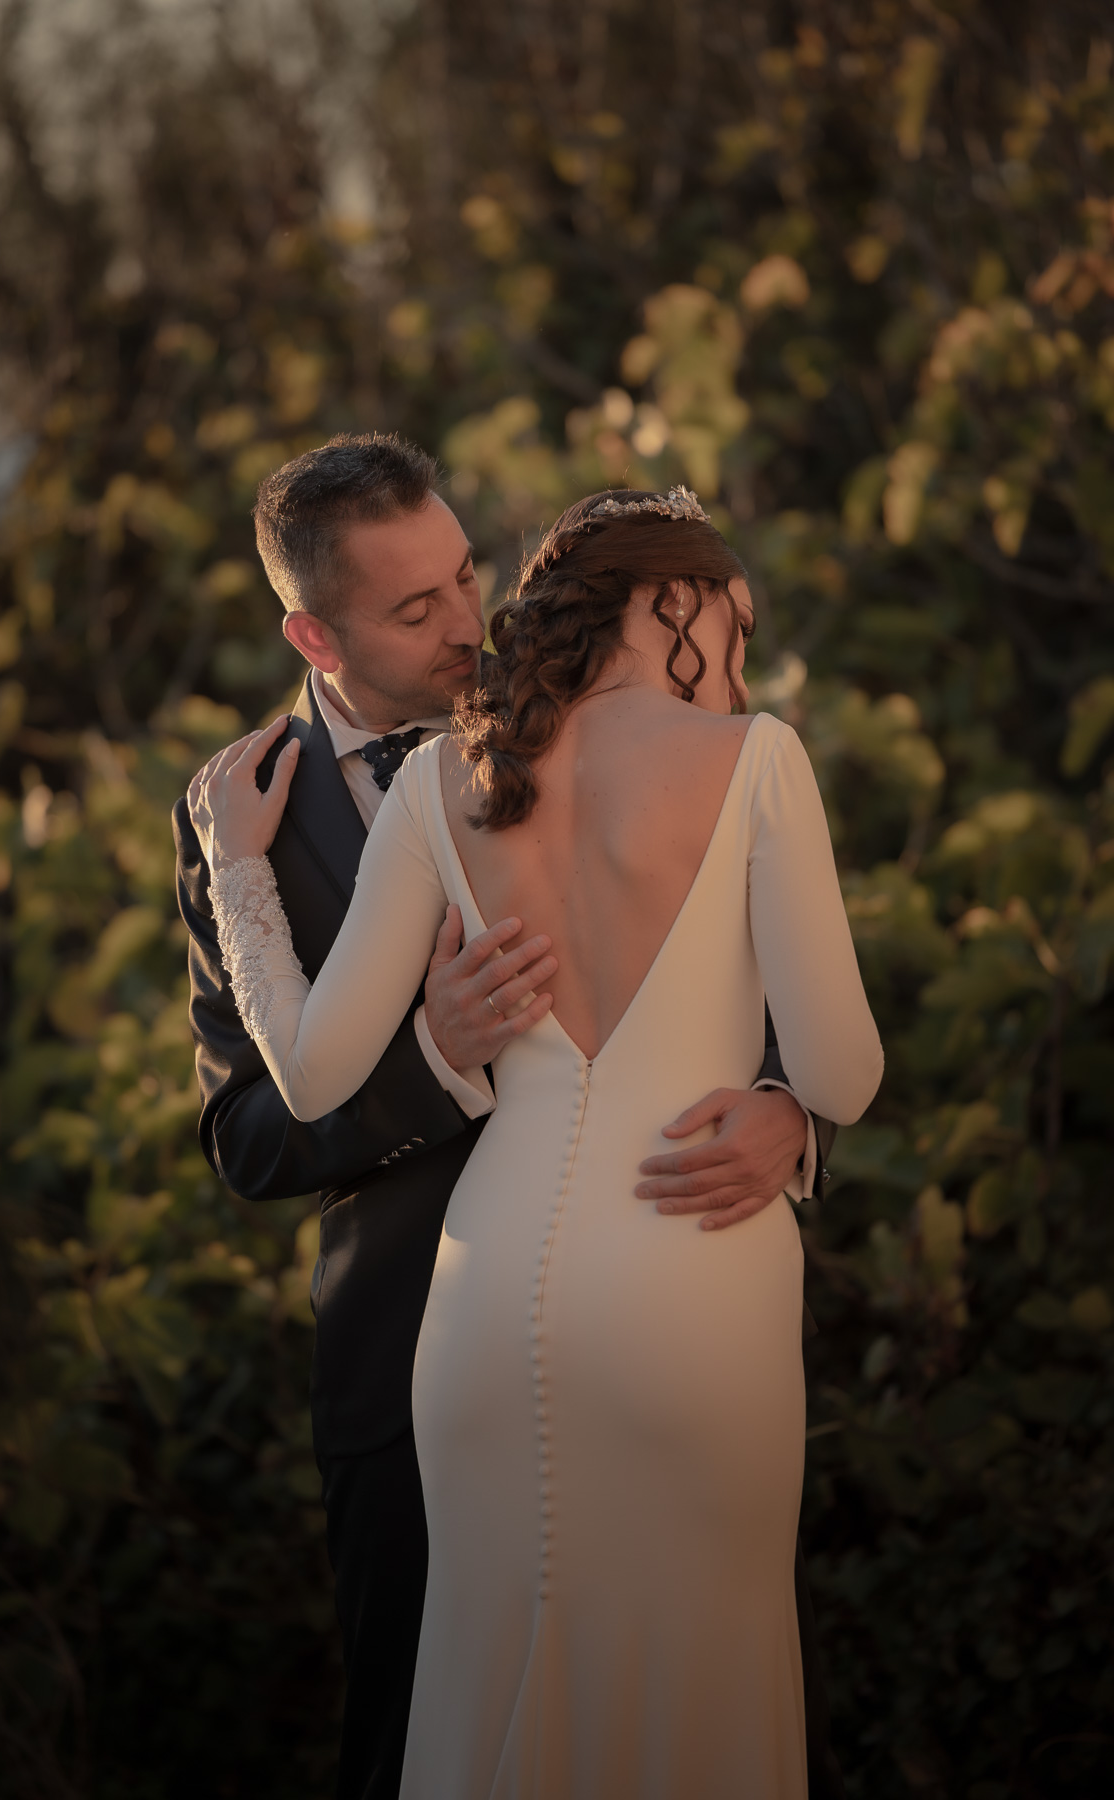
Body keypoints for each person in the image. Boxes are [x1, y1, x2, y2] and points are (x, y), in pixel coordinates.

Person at [186, 476, 883, 1797]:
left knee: (491, 1703)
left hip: (483, 1307)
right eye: (732, 619)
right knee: (698, 1693)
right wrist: (434, 1047)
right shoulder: (755, 758)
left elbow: (312, 1065)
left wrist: (787, 1114)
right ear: (672, 602)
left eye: (469, 578)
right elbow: (844, 1062)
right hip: (651, 1286)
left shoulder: (441, 780)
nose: (466, 618)